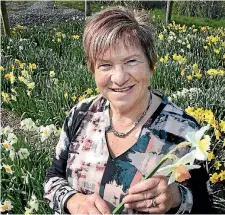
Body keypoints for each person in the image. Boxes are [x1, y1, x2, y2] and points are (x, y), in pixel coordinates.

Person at [44, 6, 213, 214]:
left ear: (151, 63)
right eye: (105, 65)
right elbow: (53, 178)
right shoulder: (81, 115)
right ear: (92, 69)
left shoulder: (184, 132)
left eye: (131, 61)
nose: (119, 77)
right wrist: (72, 200)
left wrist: (177, 198)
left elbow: (206, 207)